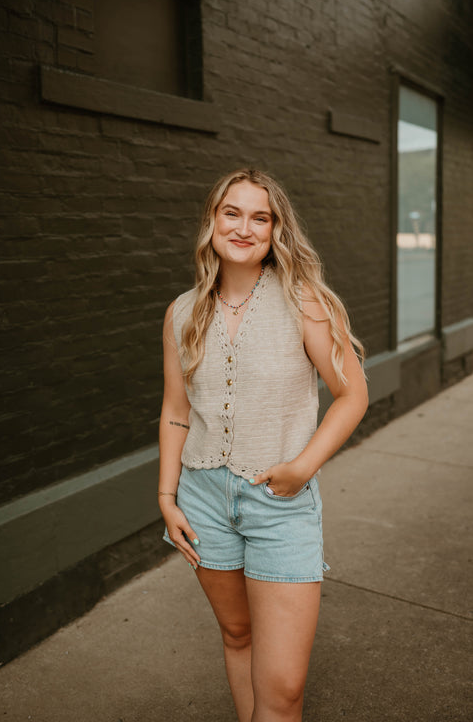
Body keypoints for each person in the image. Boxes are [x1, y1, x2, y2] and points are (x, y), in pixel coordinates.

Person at [158, 168, 368, 722]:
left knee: (283, 693)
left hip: (280, 504)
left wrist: (301, 468)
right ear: (212, 220)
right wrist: (166, 496)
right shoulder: (181, 312)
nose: (245, 228)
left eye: (260, 217)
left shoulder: (305, 301)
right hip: (201, 499)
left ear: (277, 229)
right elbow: (176, 412)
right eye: (232, 212)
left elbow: (352, 396)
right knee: (236, 634)